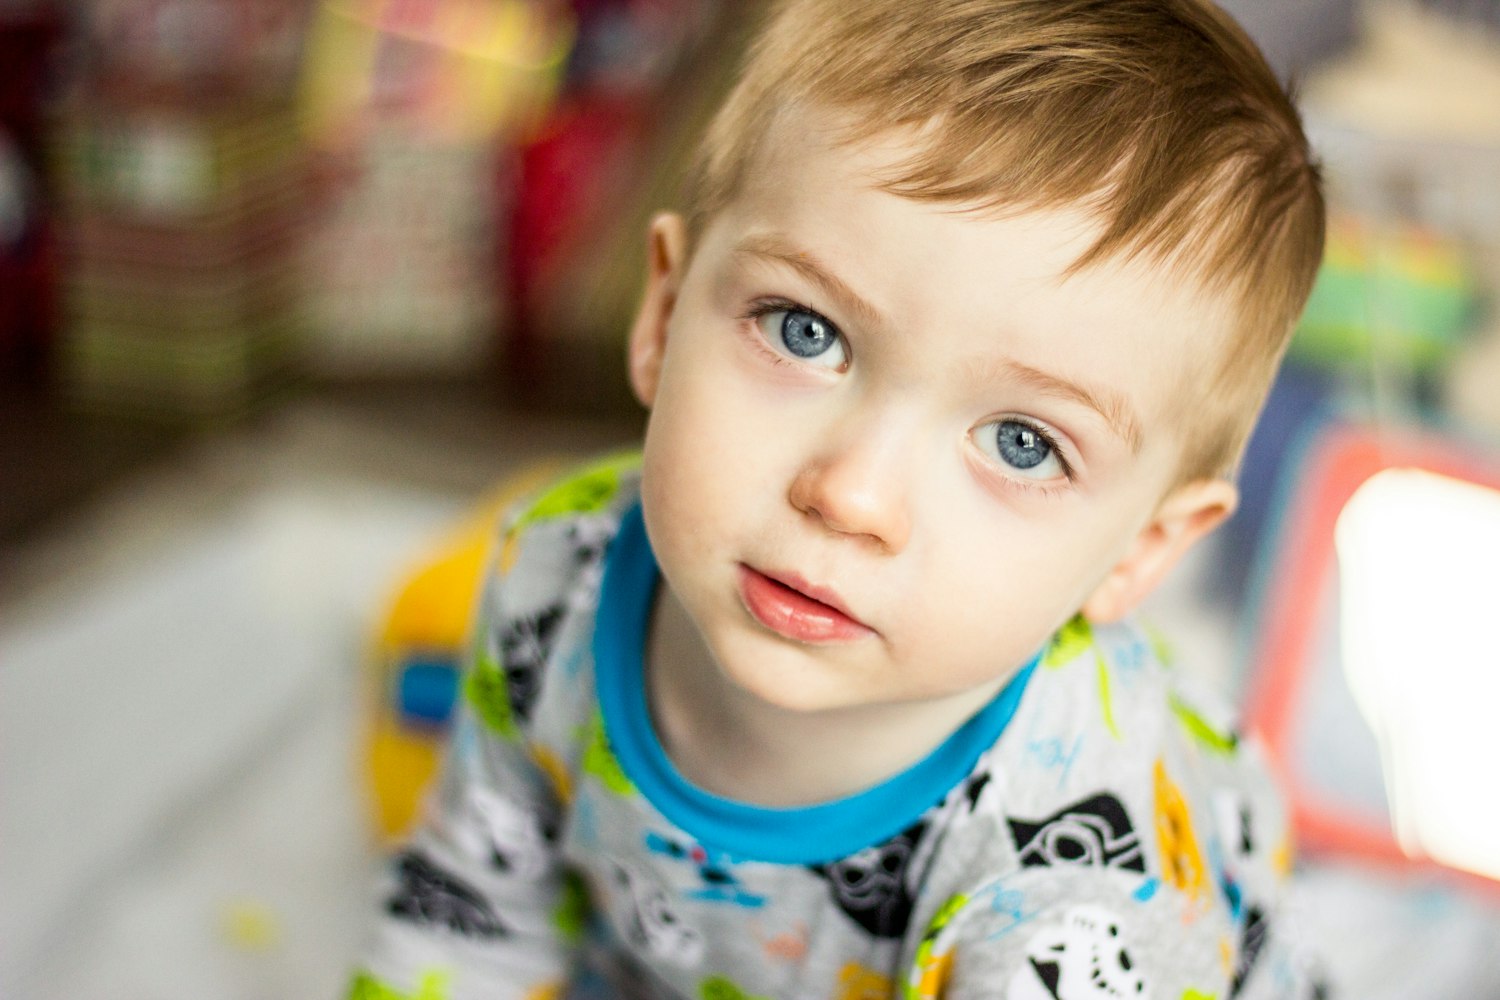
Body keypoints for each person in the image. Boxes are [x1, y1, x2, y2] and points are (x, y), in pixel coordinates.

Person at [348, 0, 1328, 996]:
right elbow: (468, 911)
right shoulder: (552, 575)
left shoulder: (1084, 880)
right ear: (664, 312)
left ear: (1141, 550)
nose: (852, 495)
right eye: (804, 331)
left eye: (1024, 443)